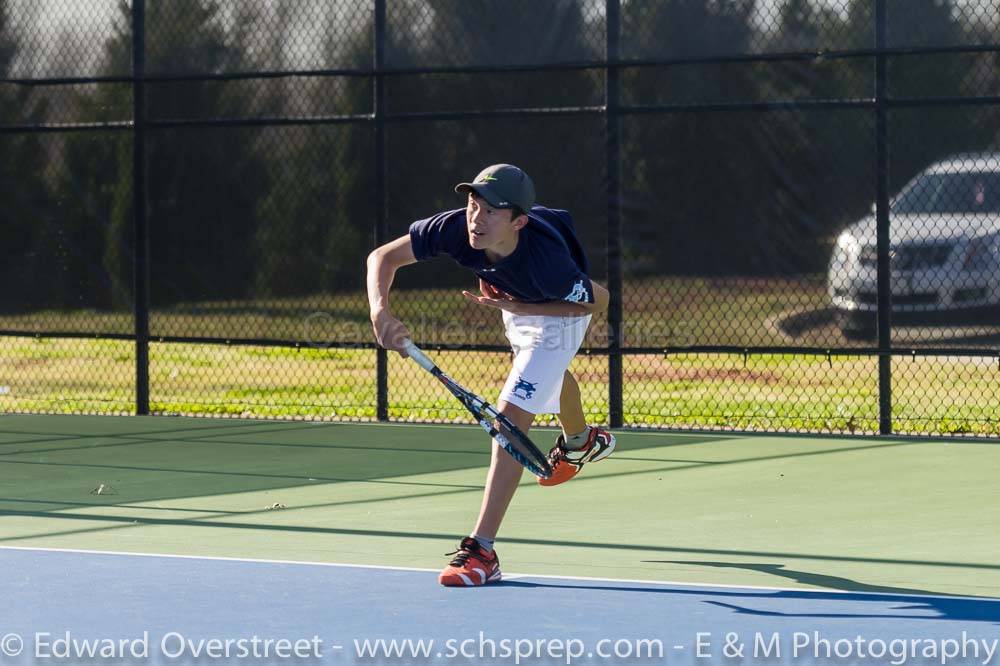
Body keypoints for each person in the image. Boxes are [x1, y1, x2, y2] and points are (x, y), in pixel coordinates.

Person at [366, 163, 616, 587]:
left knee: (509, 419)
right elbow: (382, 257)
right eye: (473, 204)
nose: (476, 219)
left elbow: (600, 301)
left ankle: (482, 550)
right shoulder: (454, 230)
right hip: (513, 302)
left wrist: (524, 307)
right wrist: (380, 312)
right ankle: (581, 441)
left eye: (492, 211)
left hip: (557, 310)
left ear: (519, 221)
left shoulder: (549, 263)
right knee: (544, 382)